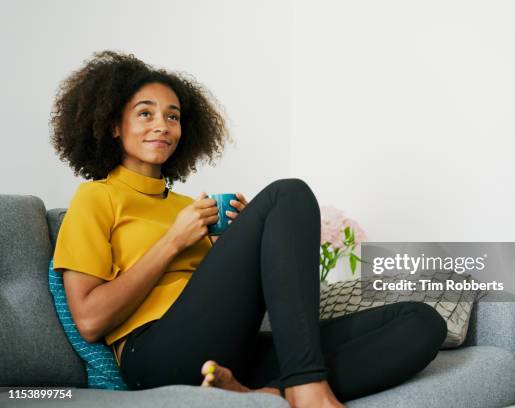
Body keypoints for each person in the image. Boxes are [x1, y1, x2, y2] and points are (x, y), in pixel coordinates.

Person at [50, 50, 447, 408]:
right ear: (114, 126)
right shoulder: (95, 198)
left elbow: (228, 300)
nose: (163, 125)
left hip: (227, 355)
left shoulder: (191, 209)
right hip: (155, 357)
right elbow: (88, 321)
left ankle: (271, 392)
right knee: (285, 195)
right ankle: (307, 385)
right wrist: (173, 241)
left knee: (421, 323)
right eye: (145, 113)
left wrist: (243, 245)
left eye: (173, 116)